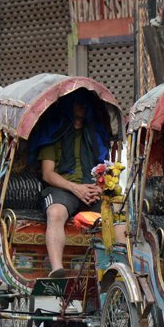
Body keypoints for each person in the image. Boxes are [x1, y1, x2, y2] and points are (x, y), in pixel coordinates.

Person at [32, 95, 109, 278]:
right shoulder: (53, 133)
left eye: (85, 103)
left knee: (117, 213)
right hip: (61, 188)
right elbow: (48, 174)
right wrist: (75, 188)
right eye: (78, 102)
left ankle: (115, 269)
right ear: (68, 105)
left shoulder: (95, 133)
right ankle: (57, 268)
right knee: (55, 213)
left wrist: (100, 187)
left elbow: (105, 168)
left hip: (90, 189)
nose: (83, 106)